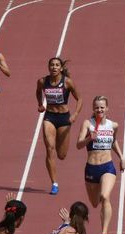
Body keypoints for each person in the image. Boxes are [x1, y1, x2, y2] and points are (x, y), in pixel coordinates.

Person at [76, 96, 125, 234]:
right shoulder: (88, 124)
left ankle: (104, 233)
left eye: (102, 107)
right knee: (94, 203)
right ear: (93, 109)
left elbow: (114, 141)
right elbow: (78, 145)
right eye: (97, 107)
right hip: (91, 168)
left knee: (105, 196)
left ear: (107, 109)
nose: (99, 110)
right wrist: (89, 139)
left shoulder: (113, 125)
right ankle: (101, 209)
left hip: (107, 167)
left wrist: (122, 157)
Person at [36, 57, 82, 195]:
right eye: (52, 65)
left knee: (61, 155)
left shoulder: (67, 82)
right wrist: (40, 103)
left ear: (61, 68)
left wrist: (75, 114)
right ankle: (54, 183)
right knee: (50, 149)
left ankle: (58, 142)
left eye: (57, 65)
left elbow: (79, 98)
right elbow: (38, 91)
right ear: (48, 67)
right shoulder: (43, 81)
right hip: (49, 117)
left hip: (64, 118)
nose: (54, 67)